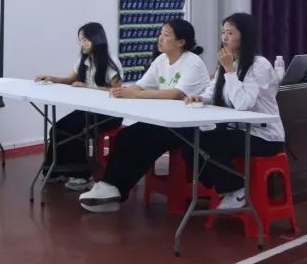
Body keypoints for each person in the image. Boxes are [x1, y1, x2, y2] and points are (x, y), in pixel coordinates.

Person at [79, 19, 210, 213]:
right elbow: (140, 85)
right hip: (167, 121)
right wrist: (123, 91)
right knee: (127, 135)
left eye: (166, 35)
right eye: (161, 33)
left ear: (181, 42)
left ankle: (115, 190)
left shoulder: (193, 63)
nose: (160, 38)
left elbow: (175, 94)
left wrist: (135, 94)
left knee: (145, 140)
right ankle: (109, 187)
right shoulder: (161, 60)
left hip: (190, 125)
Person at [183, 13, 285, 210]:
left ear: (244, 35)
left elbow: (243, 103)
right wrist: (201, 97)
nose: (225, 37)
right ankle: (223, 186)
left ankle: (236, 189)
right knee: (190, 142)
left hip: (263, 135)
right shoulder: (229, 62)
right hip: (237, 130)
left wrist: (229, 70)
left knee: (212, 143)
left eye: (230, 33)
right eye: (223, 32)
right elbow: (214, 90)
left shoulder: (259, 65)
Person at [35, 22, 124, 191]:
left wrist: (88, 88)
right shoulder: (84, 60)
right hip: (89, 110)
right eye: (80, 40)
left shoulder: (111, 62)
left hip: (109, 113)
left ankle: (81, 175)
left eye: (85, 40)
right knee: (57, 128)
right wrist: (51, 78)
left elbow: (118, 91)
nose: (82, 44)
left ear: (97, 40)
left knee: (76, 131)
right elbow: (70, 79)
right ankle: (56, 170)